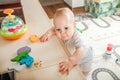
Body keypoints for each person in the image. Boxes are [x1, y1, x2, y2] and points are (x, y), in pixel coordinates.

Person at [39, 8, 93, 76]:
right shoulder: (60, 30)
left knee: (84, 71)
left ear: (74, 26)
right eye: (59, 29)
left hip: (85, 56)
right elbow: (53, 28)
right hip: (73, 52)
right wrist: (48, 34)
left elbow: (81, 50)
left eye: (66, 28)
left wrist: (70, 61)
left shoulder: (77, 37)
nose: (62, 33)